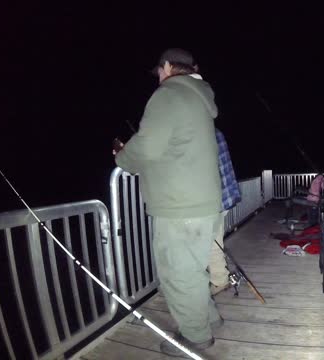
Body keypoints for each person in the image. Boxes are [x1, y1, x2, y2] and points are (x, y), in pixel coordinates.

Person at [113, 48, 223, 356]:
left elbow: (147, 147)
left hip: (179, 206)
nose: (159, 77)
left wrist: (123, 157)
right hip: (203, 201)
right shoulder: (200, 99)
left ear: (167, 67)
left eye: (159, 71)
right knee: (194, 270)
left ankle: (196, 337)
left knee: (178, 274)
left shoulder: (168, 95)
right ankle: (209, 319)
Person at [209, 128, 242, 296]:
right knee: (214, 242)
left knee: (211, 244)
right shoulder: (216, 131)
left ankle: (219, 280)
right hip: (224, 197)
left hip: (212, 200)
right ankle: (218, 278)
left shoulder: (202, 132)